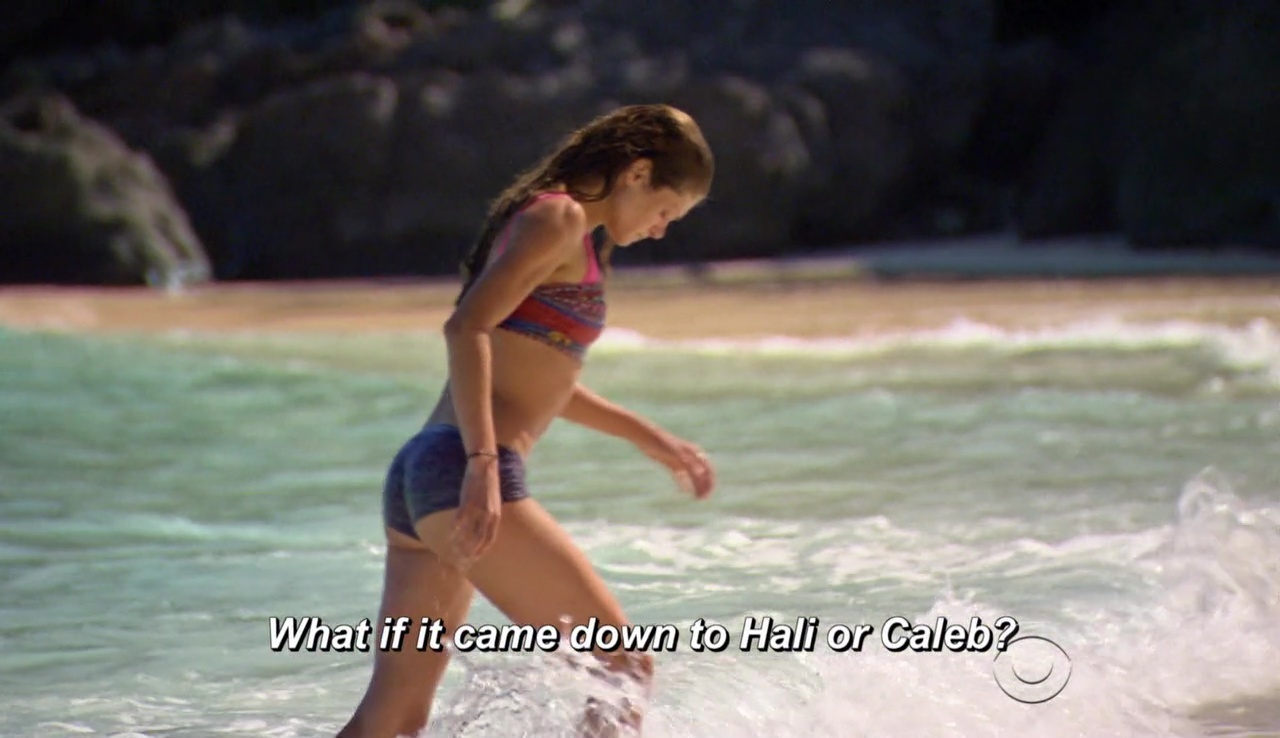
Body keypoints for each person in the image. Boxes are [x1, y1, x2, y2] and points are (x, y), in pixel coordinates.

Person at [336, 104, 717, 738]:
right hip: (460, 471)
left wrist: (650, 438)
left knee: (393, 721)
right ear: (637, 173)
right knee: (621, 667)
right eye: (665, 211)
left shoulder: (570, 232)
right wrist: (483, 464)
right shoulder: (558, 217)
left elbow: (540, 376)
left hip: (428, 474)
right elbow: (466, 328)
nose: (660, 230)